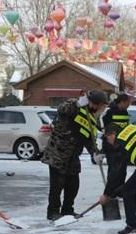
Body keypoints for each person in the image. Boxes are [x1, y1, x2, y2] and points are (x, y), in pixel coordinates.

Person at [42, 89, 108, 220]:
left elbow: (88, 137)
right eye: (100, 105)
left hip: (73, 155)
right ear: (93, 102)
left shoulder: (93, 116)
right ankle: (53, 212)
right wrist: (78, 104)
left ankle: (68, 210)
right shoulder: (74, 106)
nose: (101, 108)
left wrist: (95, 153)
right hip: (58, 152)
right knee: (57, 185)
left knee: (73, 184)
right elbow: (62, 109)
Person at [101, 93, 131, 175]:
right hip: (111, 145)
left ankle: (120, 187)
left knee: (122, 171)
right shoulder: (110, 112)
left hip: (122, 145)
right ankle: (112, 187)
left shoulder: (125, 113)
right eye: (128, 103)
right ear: (122, 102)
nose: (129, 105)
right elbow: (106, 130)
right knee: (113, 170)